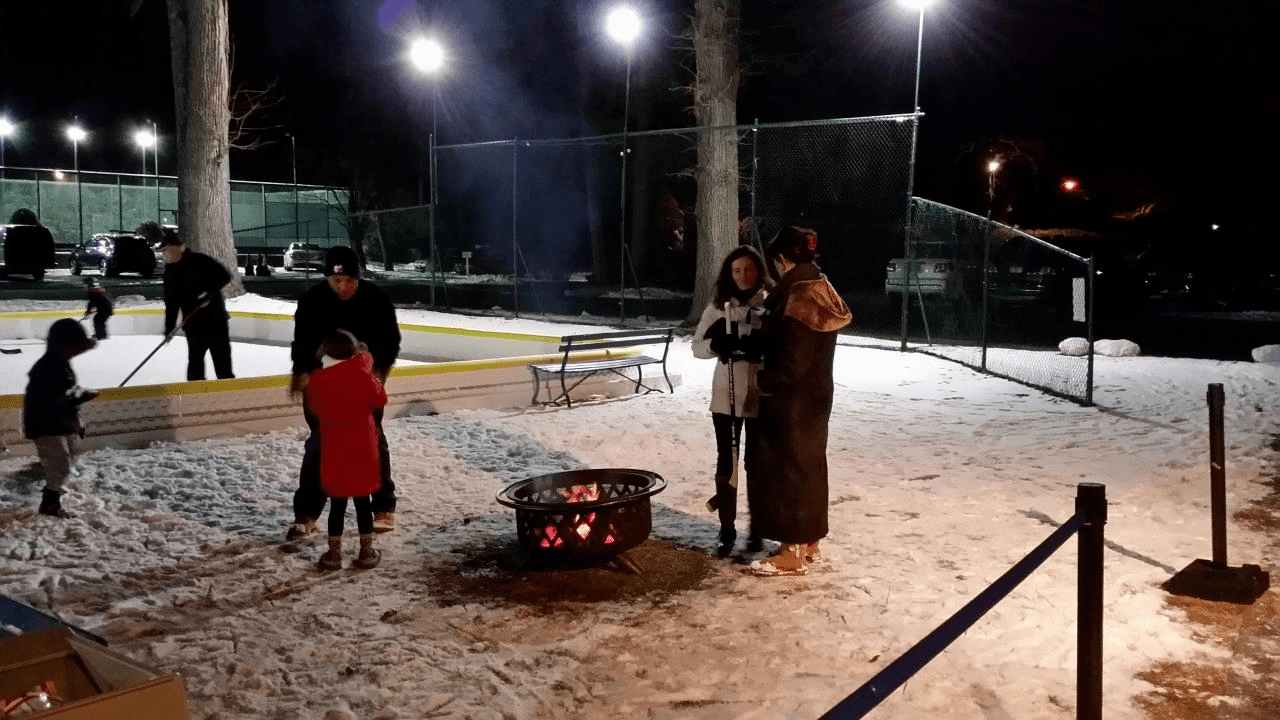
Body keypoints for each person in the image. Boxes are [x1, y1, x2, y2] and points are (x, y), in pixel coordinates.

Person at [744, 225, 852, 576]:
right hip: (815, 394)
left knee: (787, 470)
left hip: (790, 400)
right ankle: (811, 539)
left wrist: (764, 380)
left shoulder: (800, 295)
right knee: (808, 466)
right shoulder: (819, 286)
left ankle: (791, 551)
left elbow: (793, 356)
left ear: (781, 260)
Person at [287, 245, 401, 541]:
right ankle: (307, 513)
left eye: (348, 280)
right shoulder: (312, 300)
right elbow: (301, 342)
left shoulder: (375, 299)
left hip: (362, 384)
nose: (342, 285)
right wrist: (301, 372)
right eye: (335, 280)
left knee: (372, 437)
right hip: (323, 386)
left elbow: (391, 340)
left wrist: (380, 369)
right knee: (320, 443)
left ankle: (383, 506)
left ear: (358, 278)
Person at [692, 245, 769, 556]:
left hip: (760, 396)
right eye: (736, 271)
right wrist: (716, 344)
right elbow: (697, 347)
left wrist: (762, 348)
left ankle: (759, 526)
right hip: (727, 398)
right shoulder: (718, 307)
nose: (742, 276)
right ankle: (727, 526)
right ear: (729, 274)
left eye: (748, 270)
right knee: (729, 460)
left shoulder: (768, 303)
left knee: (757, 464)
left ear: (758, 271)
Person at [306, 329, 388, 570]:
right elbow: (380, 398)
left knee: (338, 504)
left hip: (335, 449)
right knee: (363, 503)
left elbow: (315, 408)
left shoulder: (318, 380)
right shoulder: (362, 375)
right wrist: (364, 366)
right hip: (363, 449)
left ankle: (333, 555)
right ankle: (366, 551)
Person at [23, 319, 100, 518]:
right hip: (46, 427)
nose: (79, 351)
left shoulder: (59, 363)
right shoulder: (48, 368)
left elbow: (65, 396)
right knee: (61, 467)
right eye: (77, 346)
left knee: (66, 460)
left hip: (56, 424)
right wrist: (79, 396)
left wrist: (76, 421)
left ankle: (46, 472)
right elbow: (51, 401)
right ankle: (50, 504)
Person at [157, 228, 234, 380]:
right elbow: (171, 303)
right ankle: (195, 395)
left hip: (216, 322)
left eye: (166, 250)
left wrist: (208, 294)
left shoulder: (200, 260)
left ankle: (227, 395)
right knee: (195, 364)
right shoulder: (170, 273)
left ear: (177, 247)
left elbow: (224, 276)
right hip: (193, 325)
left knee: (222, 363)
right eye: (162, 252)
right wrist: (169, 329)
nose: (164, 255)